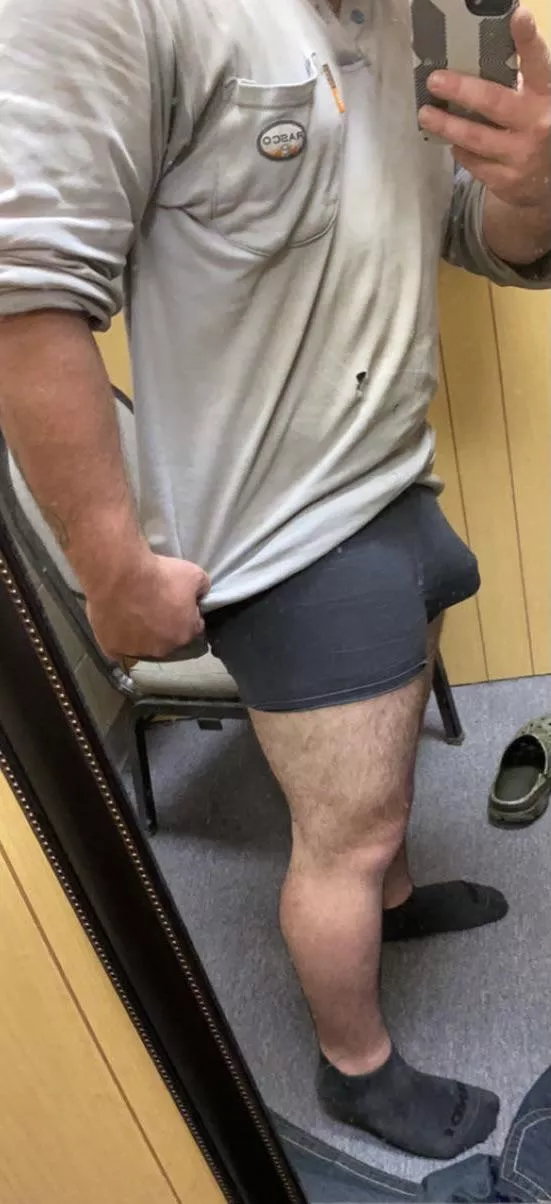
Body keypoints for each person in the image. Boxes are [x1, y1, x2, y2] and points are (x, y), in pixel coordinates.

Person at [0, 0, 549, 1160]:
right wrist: (111, 571)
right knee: (345, 831)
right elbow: (23, 296)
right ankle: (355, 1070)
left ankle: (392, 903)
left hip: (393, 473)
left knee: (383, 787)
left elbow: (464, 227)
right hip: (284, 534)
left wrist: (533, 187)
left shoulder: (397, 24)